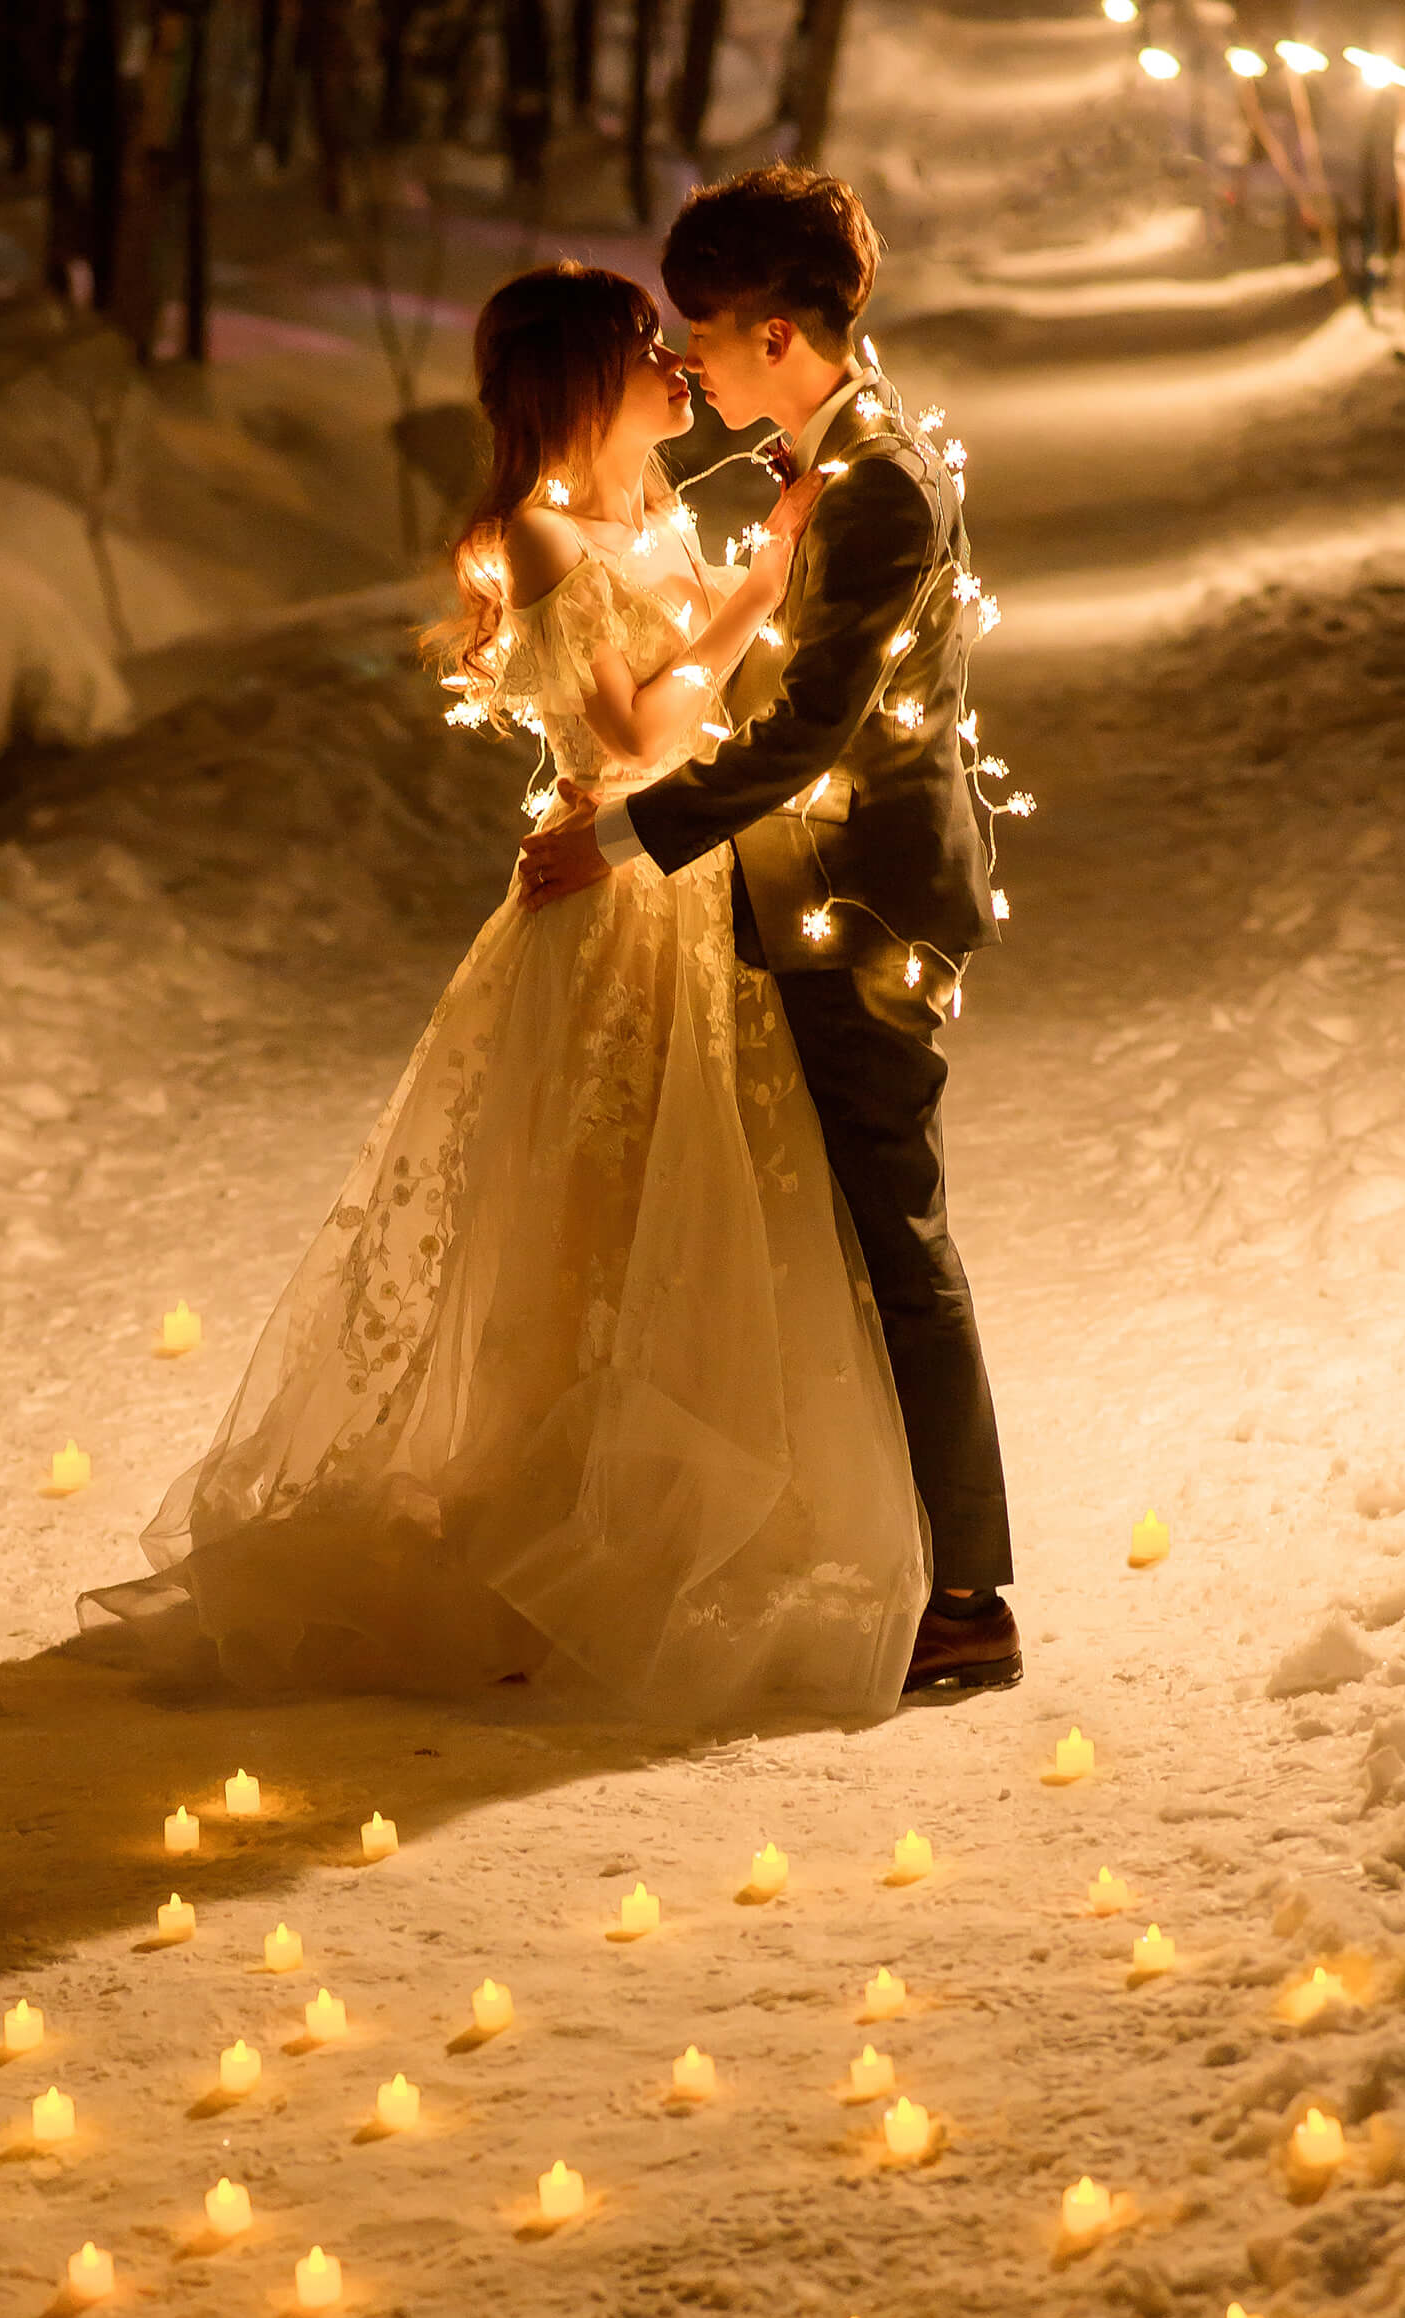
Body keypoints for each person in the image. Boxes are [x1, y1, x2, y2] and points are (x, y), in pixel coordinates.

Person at [84, 259, 927, 1731]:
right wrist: (758, 588)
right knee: (591, 1222)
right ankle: (560, 1537)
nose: (678, 366)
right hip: (610, 897)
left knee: (708, 1203)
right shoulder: (539, 533)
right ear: (584, 377)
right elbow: (637, 728)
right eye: (648, 348)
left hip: (694, 887)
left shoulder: (654, 512)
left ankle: (679, 1517)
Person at [519, 166, 1017, 1695]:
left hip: (859, 912)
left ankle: (971, 1595)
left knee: (894, 1239)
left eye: (704, 335)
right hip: (808, 897)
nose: (689, 364)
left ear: (777, 333)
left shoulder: (879, 483)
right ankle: (880, 1557)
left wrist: (616, 835)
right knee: (825, 1238)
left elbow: (810, 732)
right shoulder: (837, 461)